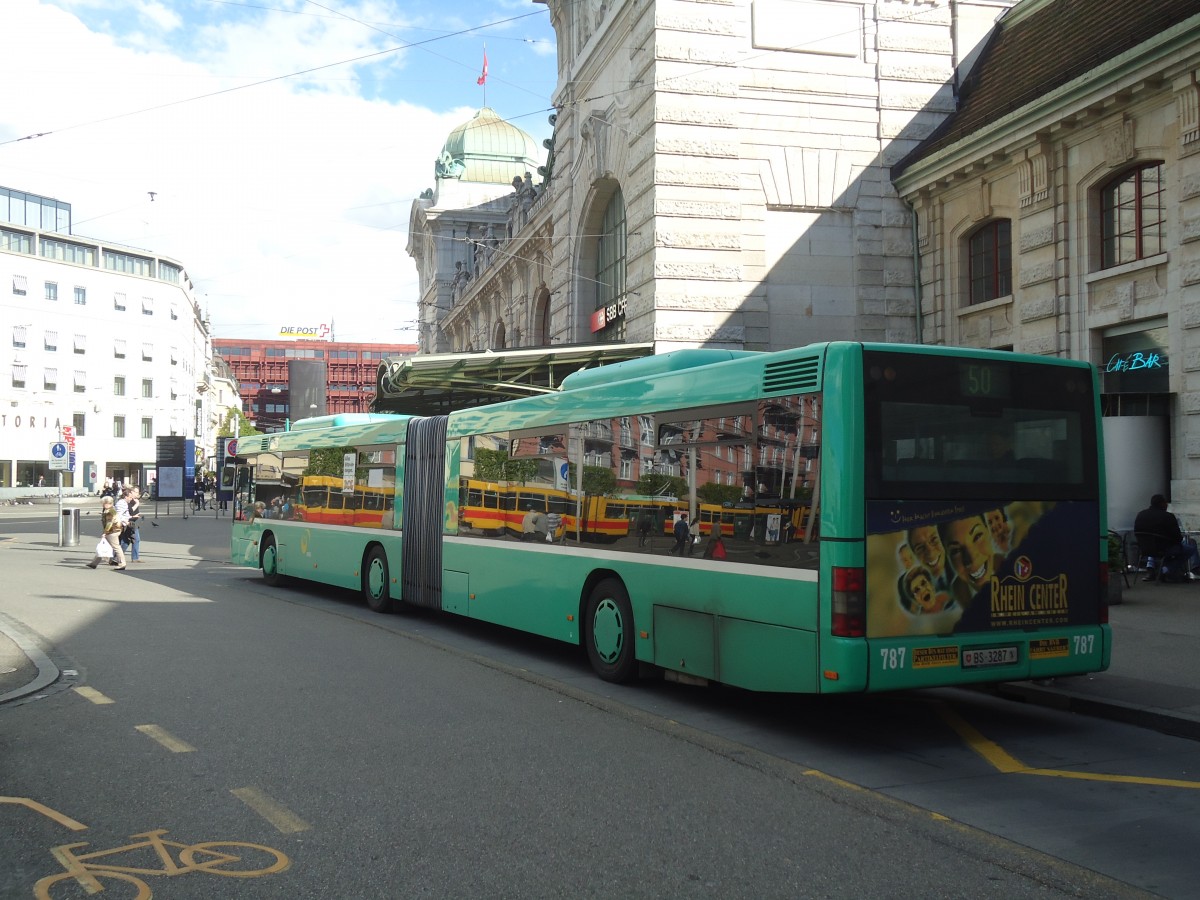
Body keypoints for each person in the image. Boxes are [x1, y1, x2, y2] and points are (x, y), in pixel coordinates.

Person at [1134, 494, 1189, 582]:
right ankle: (1165, 570)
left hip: (1144, 549)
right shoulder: (1168, 516)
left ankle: (1152, 570)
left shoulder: (1140, 515)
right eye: (1166, 503)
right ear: (1162, 504)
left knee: (1155, 546)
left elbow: (1136, 531)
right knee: (1189, 549)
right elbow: (1177, 537)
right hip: (1163, 549)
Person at [86, 496, 127, 570]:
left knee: (116, 547)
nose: (102, 505)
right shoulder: (112, 510)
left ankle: (122, 563)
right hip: (116, 530)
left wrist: (105, 532)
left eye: (103, 503)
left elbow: (109, 523)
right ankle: (94, 563)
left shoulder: (109, 512)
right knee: (103, 547)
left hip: (112, 531)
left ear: (107, 503)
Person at [120, 486, 143, 563]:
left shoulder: (133, 500)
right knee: (135, 539)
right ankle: (134, 557)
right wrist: (137, 504)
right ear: (131, 492)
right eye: (136, 492)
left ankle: (117, 556)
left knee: (126, 540)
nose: (137, 494)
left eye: (138, 492)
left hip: (133, 521)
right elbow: (130, 511)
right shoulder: (128, 501)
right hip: (129, 522)